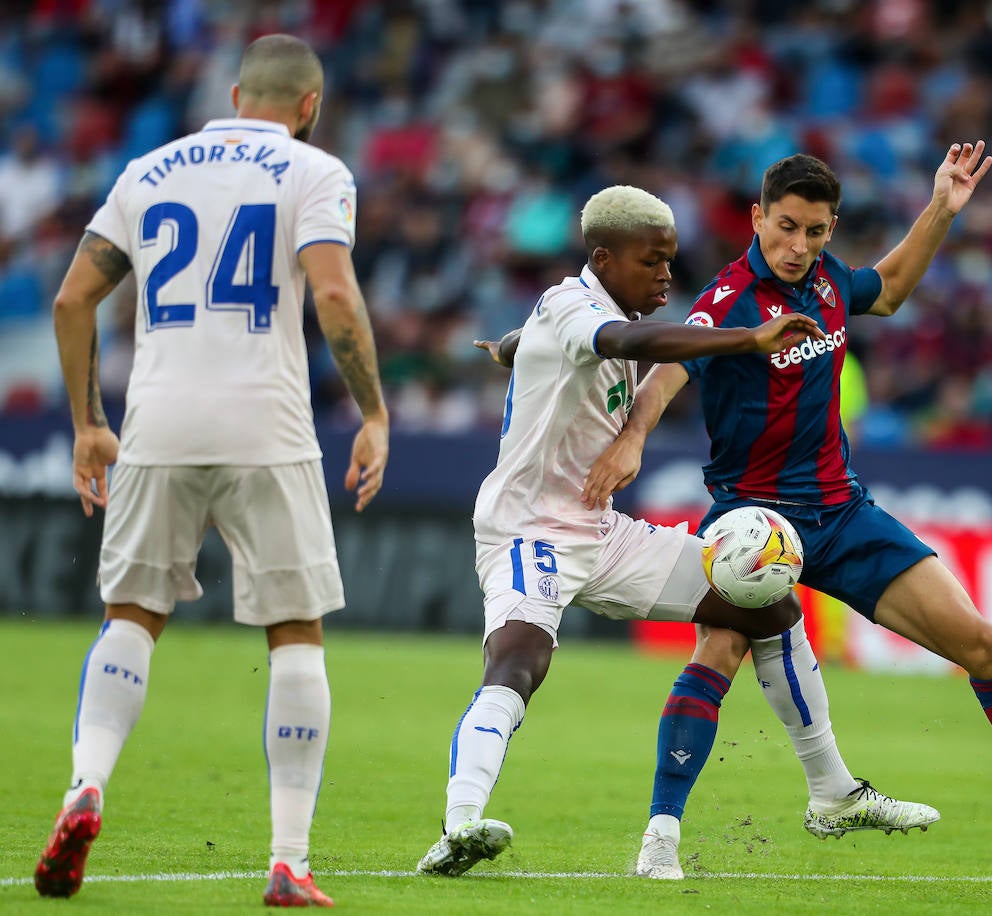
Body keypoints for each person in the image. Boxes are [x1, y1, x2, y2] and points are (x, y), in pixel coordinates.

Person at [581, 147, 992, 880]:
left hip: (843, 512)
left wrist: (941, 209)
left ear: (831, 230)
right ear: (759, 219)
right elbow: (671, 368)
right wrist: (633, 437)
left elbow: (886, 289)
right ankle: (660, 841)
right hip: (757, 525)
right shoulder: (729, 299)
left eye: (816, 232)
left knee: (982, 644)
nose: (799, 248)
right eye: (787, 228)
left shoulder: (828, 281)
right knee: (716, 658)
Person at [35, 34, 389, 907]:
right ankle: (288, 859)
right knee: (295, 633)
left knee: (130, 618)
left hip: (156, 424)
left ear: (235, 95)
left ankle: (86, 784)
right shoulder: (315, 171)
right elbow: (335, 294)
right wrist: (374, 412)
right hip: (265, 425)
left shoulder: (149, 171)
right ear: (308, 104)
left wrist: (88, 424)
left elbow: (73, 297)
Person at [414, 184, 825, 878]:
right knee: (519, 663)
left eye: (670, 259)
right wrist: (747, 339)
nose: (666, 273)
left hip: (601, 533)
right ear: (603, 258)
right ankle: (459, 827)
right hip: (527, 532)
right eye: (651, 260)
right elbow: (620, 339)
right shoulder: (584, 308)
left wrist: (512, 346)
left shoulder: (593, 307)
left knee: (769, 604)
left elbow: (561, 338)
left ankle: (830, 789)